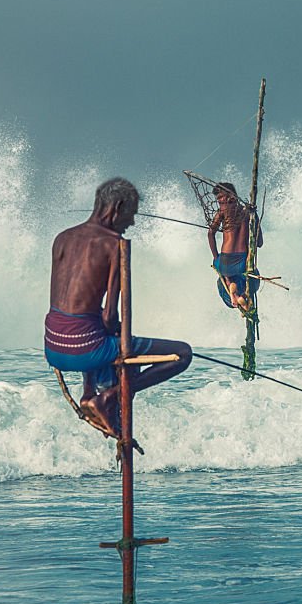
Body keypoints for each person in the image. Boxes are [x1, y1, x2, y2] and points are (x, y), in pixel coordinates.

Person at [44, 177, 192, 438]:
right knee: (182, 353)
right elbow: (110, 316)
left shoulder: (62, 238)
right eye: (131, 214)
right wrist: (117, 329)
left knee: (92, 327)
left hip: (54, 347)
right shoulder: (114, 246)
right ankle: (110, 397)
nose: (132, 223)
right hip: (86, 349)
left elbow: (68, 304)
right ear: (118, 208)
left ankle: (89, 392)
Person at [207, 181, 263, 312]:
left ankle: (232, 289)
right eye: (218, 199)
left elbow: (210, 233)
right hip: (244, 261)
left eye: (221, 197)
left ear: (231, 195)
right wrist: (255, 216)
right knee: (248, 278)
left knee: (226, 274)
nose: (220, 201)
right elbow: (259, 243)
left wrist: (216, 258)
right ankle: (240, 296)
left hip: (226, 262)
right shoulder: (248, 212)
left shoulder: (222, 213)